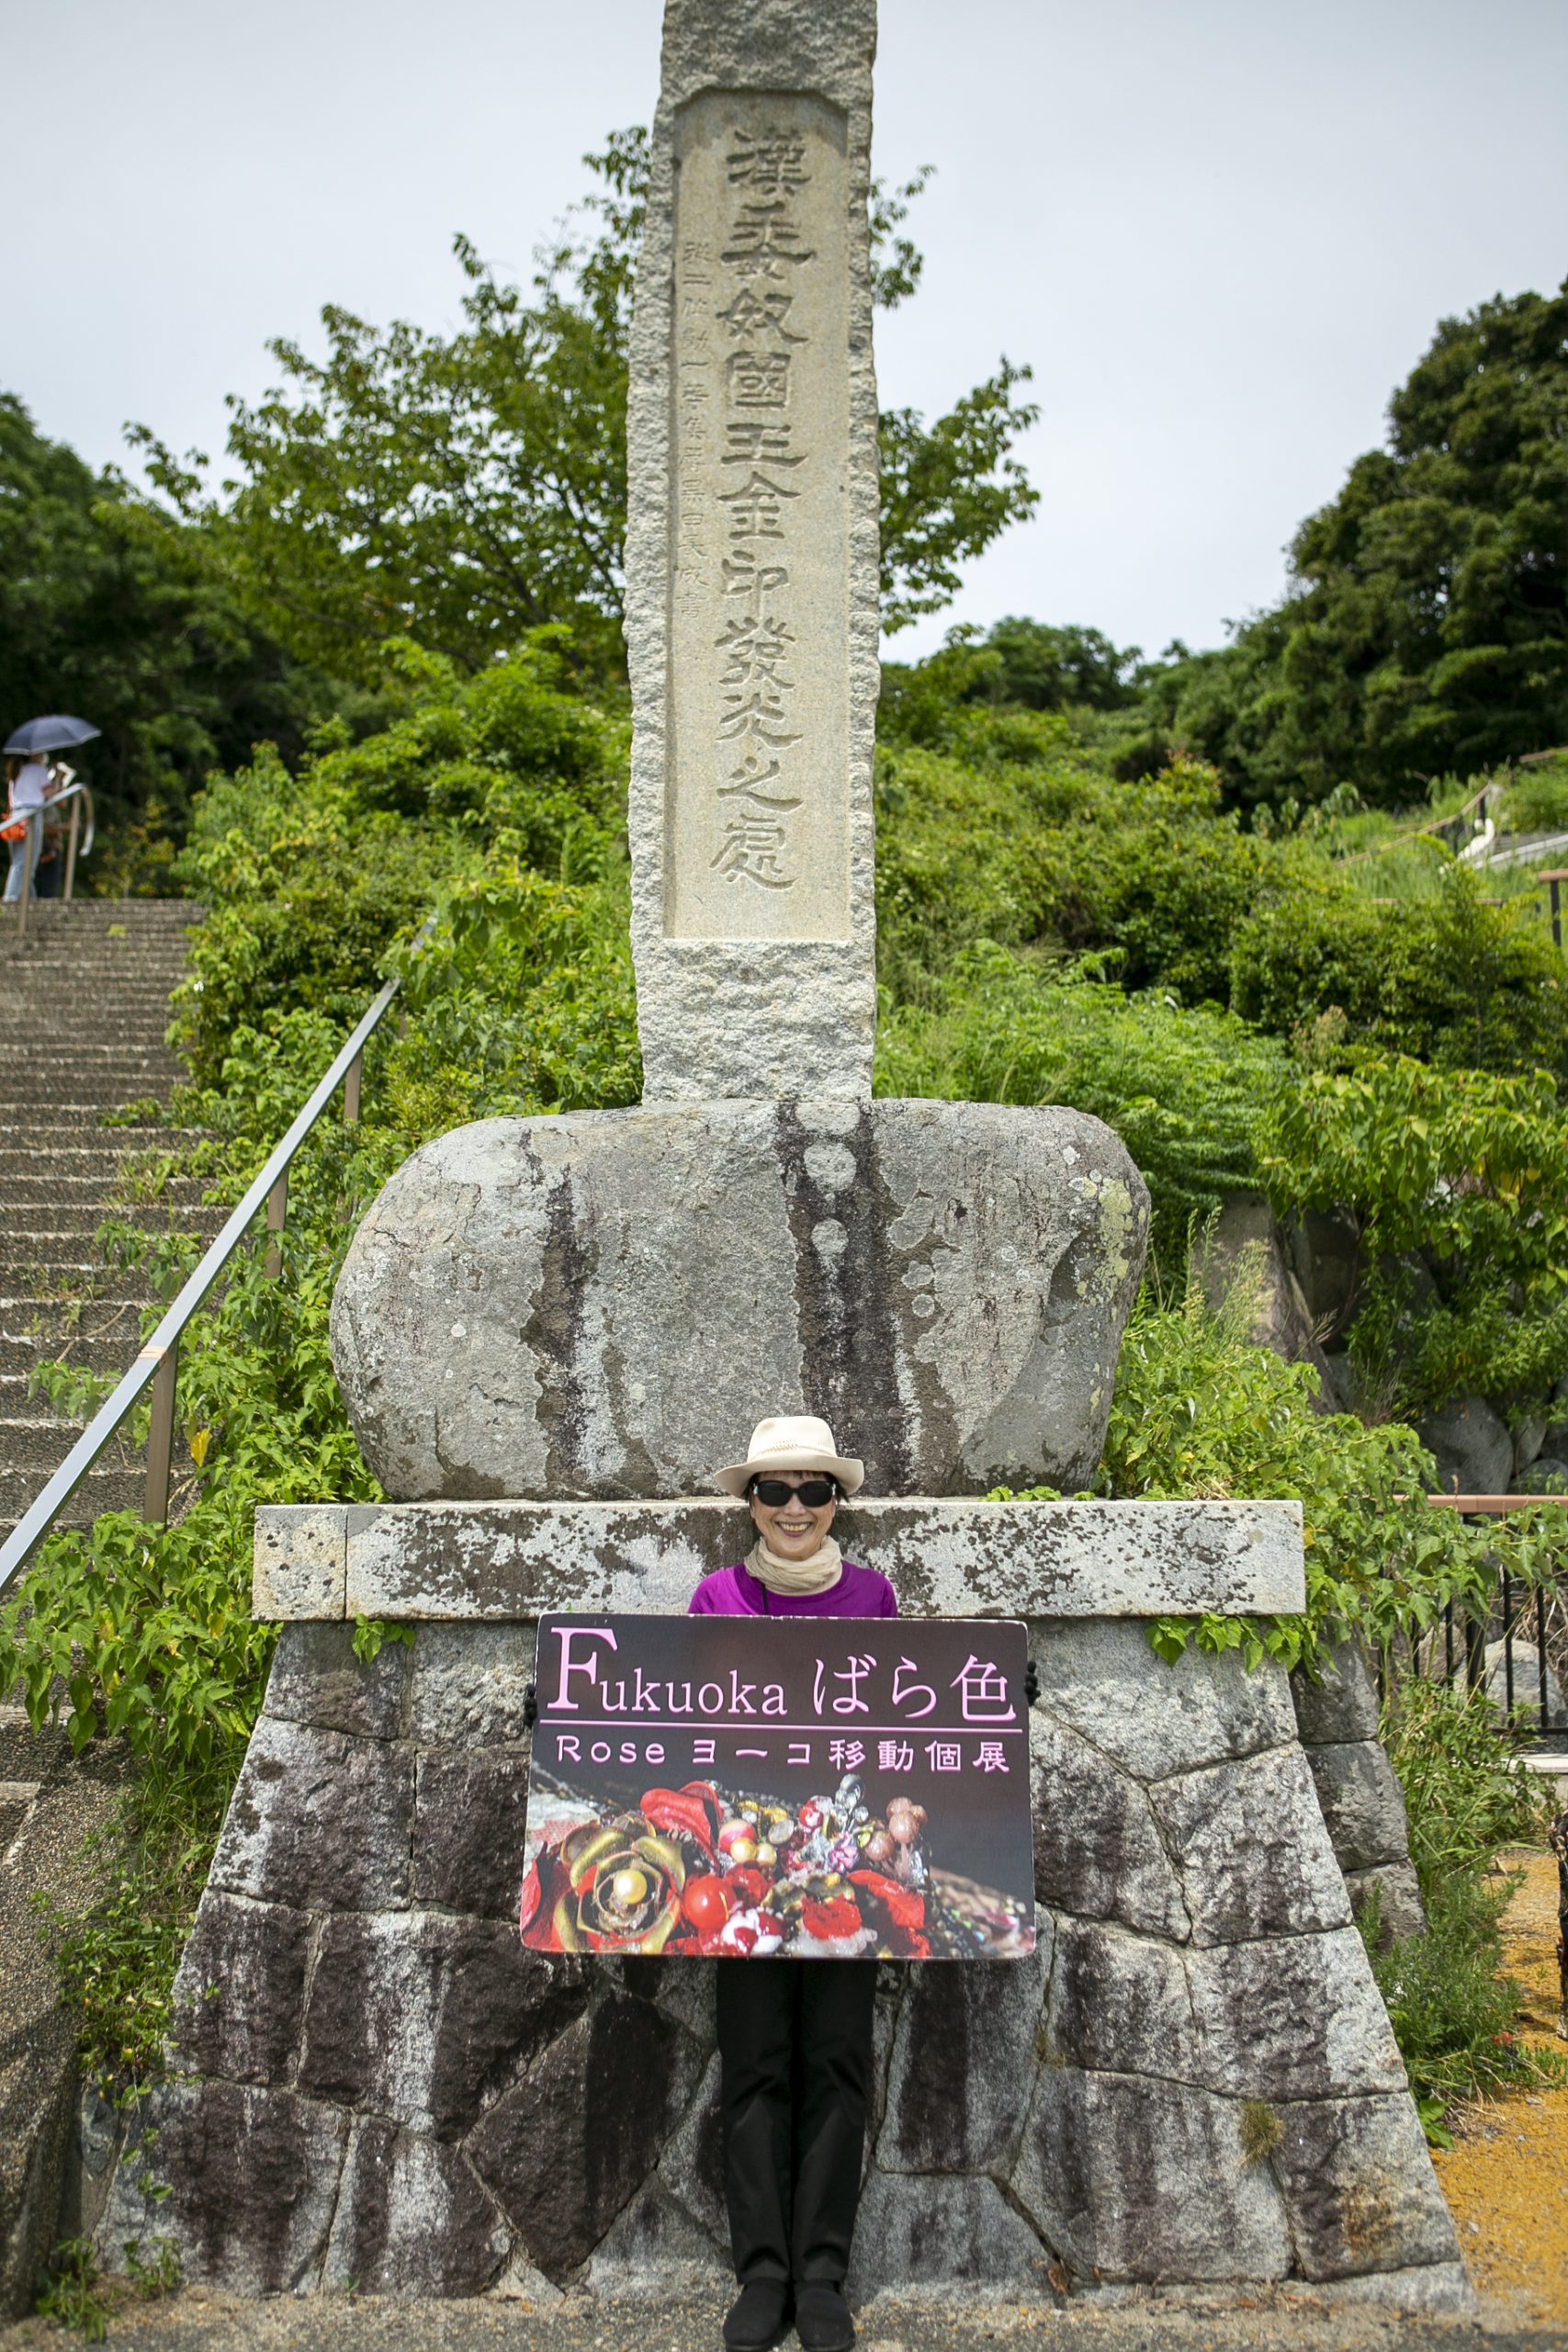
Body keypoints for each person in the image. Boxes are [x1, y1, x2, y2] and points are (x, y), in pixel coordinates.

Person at [693, 1414, 896, 2352]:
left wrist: (994, 1709)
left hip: (843, 1869)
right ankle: (762, 2272)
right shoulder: (716, 1599)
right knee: (756, 2060)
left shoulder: (872, 1598)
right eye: (774, 1490)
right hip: (742, 1873)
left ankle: (821, 2272)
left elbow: (906, 1721)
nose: (793, 1507)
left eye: (814, 1490)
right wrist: (571, 1714)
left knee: (837, 2059)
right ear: (750, 1502)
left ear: (835, 1503)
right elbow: (669, 1713)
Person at [2, 753, 48, 903]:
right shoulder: (39, 770)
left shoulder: (16, 771)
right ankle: (10, 899)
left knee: (19, 861)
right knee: (25, 863)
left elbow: (11, 801)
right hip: (31, 816)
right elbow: (50, 793)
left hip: (15, 817)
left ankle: (30, 902)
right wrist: (59, 779)